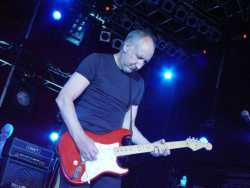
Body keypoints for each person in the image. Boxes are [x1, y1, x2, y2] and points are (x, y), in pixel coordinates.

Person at [55, 29, 171, 188]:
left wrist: (151, 146)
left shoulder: (138, 84)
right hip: (78, 147)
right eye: (138, 57)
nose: (139, 65)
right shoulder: (97, 61)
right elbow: (64, 98)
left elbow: (127, 126)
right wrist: (81, 139)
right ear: (127, 46)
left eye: (145, 62)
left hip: (108, 157)